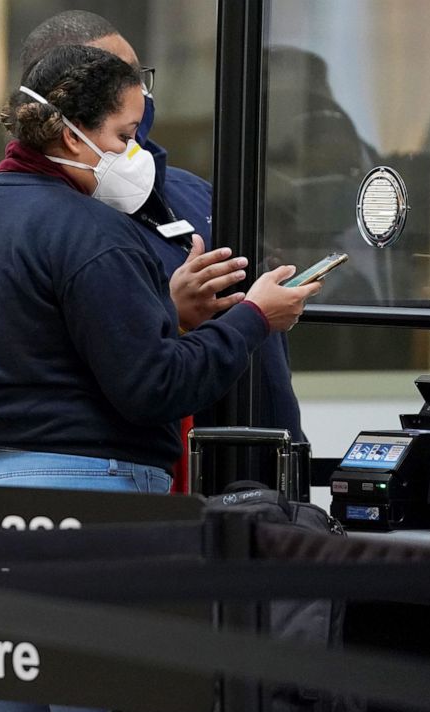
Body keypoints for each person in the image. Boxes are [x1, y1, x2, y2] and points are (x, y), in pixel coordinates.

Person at [0, 45, 320, 712]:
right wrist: (254, 319)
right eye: (123, 135)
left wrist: (163, 315)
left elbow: (31, 350)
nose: (134, 154)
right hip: (81, 507)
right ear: (69, 132)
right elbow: (155, 388)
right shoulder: (96, 235)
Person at [20, 11, 308, 466]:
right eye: (115, 76)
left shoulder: (195, 192)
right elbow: (76, 366)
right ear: (64, 105)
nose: (135, 90)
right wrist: (171, 313)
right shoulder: (61, 219)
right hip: (168, 468)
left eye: (138, 75)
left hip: (267, 451)